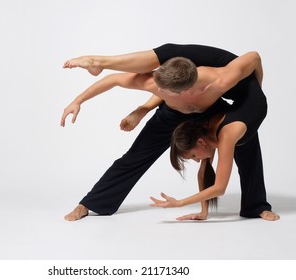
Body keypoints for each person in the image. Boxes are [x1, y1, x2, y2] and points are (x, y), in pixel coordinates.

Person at [61, 44, 276, 221]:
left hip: (209, 112)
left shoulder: (220, 81)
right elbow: (114, 80)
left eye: (164, 91)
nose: (158, 90)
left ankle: (255, 206)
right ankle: (89, 204)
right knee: (134, 158)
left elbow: (254, 57)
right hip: (171, 116)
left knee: (243, 142)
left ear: (185, 89)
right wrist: (78, 101)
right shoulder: (155, 83)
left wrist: (252, 97)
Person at [149, 77, 280, 220]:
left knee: (248, 157)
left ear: (200, 142)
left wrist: (180, 203)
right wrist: (203, 212)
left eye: (193, 156)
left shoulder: (227, 135)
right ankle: (254, 207)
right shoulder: (205, 135)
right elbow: (203, 173)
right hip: (237, 114)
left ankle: (258, 207)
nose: (197, 161)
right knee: (240, 140)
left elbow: (219, 188)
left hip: (251, 93)